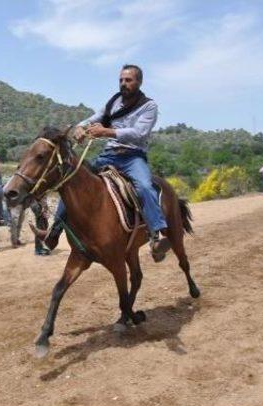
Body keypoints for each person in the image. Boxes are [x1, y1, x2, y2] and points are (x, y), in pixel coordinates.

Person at [33, 64, 169, 261]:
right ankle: (54, 232)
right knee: (72, 179)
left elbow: (139, 133)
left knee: (145, 187)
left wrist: (107, 132)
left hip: (132, 156)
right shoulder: (113, 102)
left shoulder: (149, 106)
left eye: (128, 80)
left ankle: (157, 235)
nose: (123, 83)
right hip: (109, 154)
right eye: (121, 80)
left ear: (139, 82)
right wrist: (81, 128)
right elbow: (93, 118)